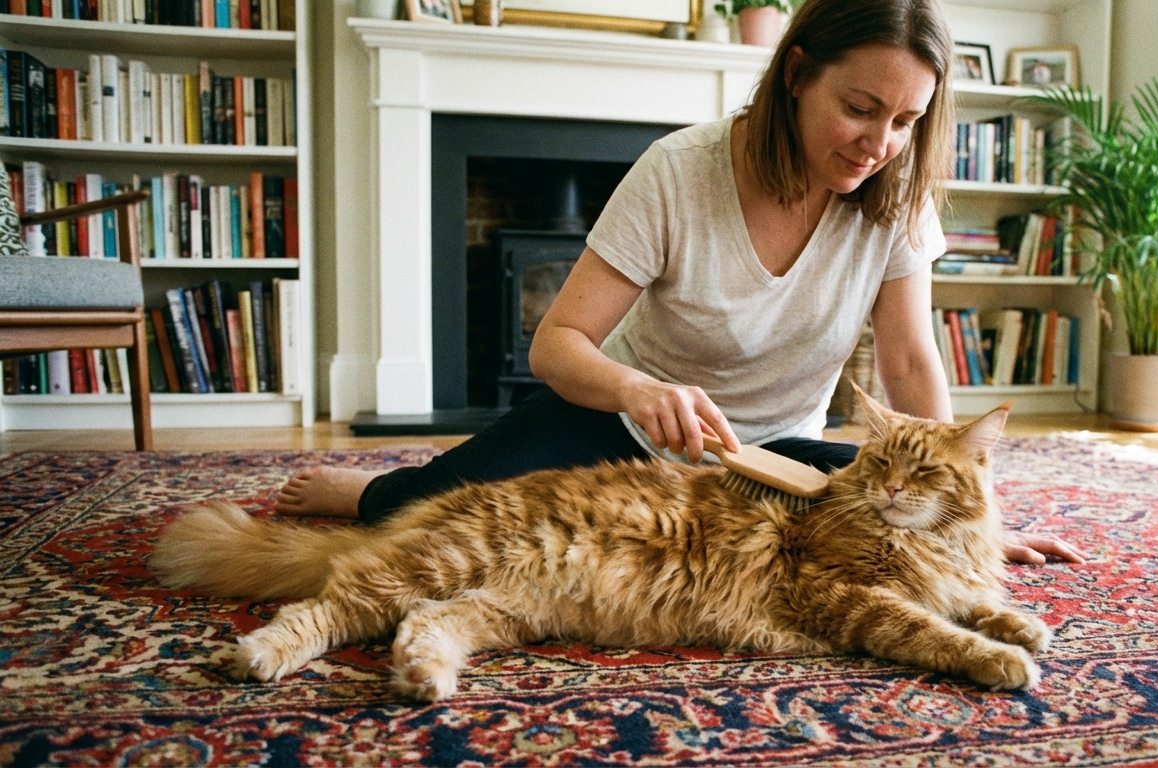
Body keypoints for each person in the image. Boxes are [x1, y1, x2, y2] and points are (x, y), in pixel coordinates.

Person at [277, 0, 1088, 566]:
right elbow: (557, 343)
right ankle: (373, 489)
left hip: (772, 451)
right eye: (860, 108)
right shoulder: (679, 170)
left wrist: (960, 517)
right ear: (798, 73)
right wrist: (635, 391)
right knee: (436, 514)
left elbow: (911, 363)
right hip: (621, 426)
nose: (880, 143)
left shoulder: (898, 200)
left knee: (878, 532)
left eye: (907, 121)